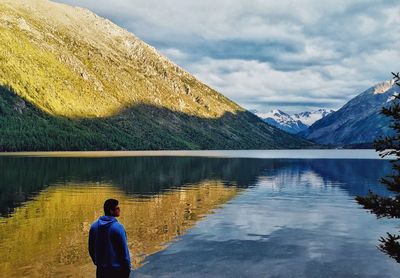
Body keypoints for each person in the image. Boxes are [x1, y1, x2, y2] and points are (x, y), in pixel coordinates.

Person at [89, 199, 131, 278]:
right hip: (117, 271)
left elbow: (91, 248)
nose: (119, 209)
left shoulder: (94, 226)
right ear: (111, 211)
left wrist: (96, 262)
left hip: (101, 270)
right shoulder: (118, 227)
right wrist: (127, 268)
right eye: (117, 208)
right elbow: (124, 251)